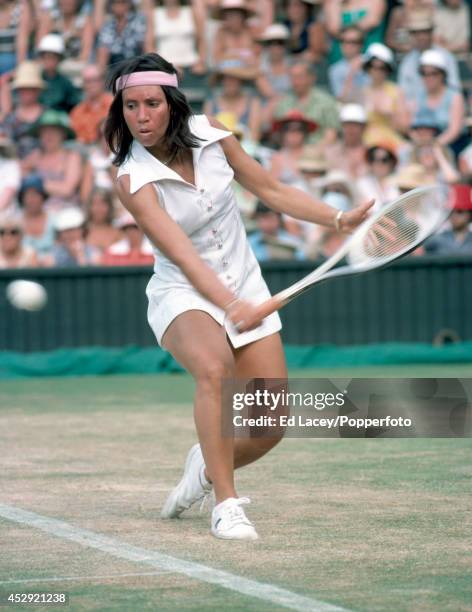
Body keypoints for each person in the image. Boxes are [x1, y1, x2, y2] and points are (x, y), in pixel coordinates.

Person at [104, 52, 373, 540]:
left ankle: (206, 467)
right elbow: (182, 254)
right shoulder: (129, 177)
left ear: (173, 104)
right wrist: (230, 306)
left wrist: (336, 220)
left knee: (270, 428)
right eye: (130, 106)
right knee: (214, 370)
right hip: (183, 292)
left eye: (151, 104)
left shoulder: (214, 134)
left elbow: (270, 189)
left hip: (247, 286)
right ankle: (226, 505)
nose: (141, 116)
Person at [22, 109, 83, 212]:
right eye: (45, 132)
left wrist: (37, 184)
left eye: (54, 131)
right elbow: (19, 173)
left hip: (65, 210)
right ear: (39, 135)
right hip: (38, 211)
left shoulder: (71, 156)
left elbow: (67, 189)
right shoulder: (36, 155)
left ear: (63, 135)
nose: (49, 136)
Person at [397, 10, 461, 104]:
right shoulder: (407, 62)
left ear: (431, 32)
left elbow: (455, 89)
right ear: (412, 35)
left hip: (444, 111)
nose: (421, 36)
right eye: (416, 33)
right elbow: (402, 95)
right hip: (415, 113)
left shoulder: (446, 57)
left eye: (425, 32)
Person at [274, 60, 340, 146]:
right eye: (292, 77)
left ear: (311, 78)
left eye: (299, 77)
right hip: (288, 152)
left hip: (317, 152)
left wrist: (314, 153)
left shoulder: (326, 101)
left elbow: (331, 135)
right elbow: (277, 135)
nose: (295, 81)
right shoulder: (283, 102)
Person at [412, 49, 465, 149]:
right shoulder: (419, 96)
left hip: (452, 146)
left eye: (434, 73)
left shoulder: (455, 96)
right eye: (424, 73)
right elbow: (412, 126)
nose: (429, 77)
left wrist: (433, 147)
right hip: (424, 147)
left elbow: (454, 131)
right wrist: (420, 144)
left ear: (443, 75)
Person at [360, 43, 410, 147]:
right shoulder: (361, 92)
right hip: (365, 141)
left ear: (387, 70)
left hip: (391, 140)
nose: (377, 71)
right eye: (372, 66)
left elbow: (405, 127)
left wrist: (389, 115)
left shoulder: (396, 92)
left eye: (381, 68)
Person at [1, 60, 45, 160]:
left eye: (30, 88)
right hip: (13, 164)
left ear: (37, 91)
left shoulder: (47, 115)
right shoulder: (11, 116)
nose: (26, 92)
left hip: (41, 164)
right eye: (22, 88)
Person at [69, 65, 113, 145]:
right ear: (83, 85)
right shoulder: (77, 111)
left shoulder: (114, 104)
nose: (91, 85)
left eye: (95, 80)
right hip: (86, 151)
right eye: (87, 81)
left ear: (103, 81)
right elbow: (76, 137)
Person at [36, 33, 81, 112]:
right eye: (45, 57)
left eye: (52, 57)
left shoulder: (66, 83)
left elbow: (74, 105)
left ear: (59, 59)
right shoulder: (35, 79)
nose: (49, 61)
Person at [324, 103, 369, 179]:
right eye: (347, 125)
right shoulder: (330, 152)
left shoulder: (372, 153)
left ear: (363, 127)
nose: (351, 129)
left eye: (355, 125)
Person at [424, 183, 472, 254]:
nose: (454, 215)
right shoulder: (437, 240)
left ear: (469, 214)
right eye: (451, 211)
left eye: (459, 211)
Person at [328, 26, 370, 103]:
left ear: (361, 45)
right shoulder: (335, 69)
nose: (348, 45)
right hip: (350, 110)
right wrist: (352, 73)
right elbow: (342, 100)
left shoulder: (373, 63)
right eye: (344, 41)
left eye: (353, 42)